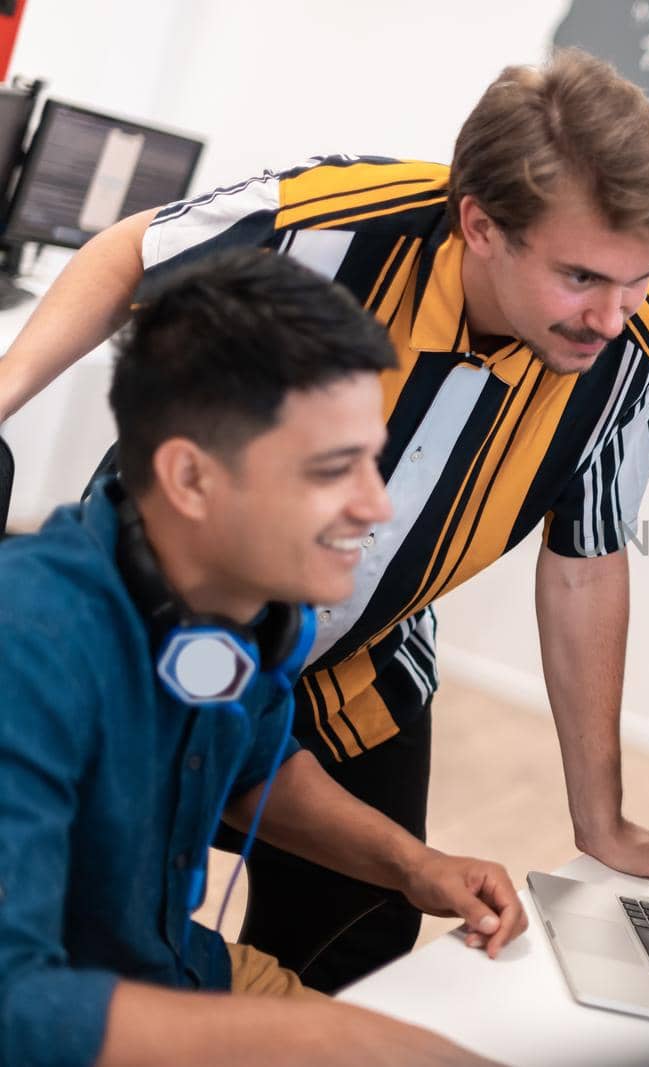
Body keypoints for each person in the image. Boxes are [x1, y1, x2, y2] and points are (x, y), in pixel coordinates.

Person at [0, 49, 649, 992]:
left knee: (361, 932)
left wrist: (599, 815)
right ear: (481, 226)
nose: (616, 317)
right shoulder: (327, 225)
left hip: (366, 653)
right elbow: (136, 251)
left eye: (639, 280)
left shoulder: (631, 324)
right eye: (582, 277)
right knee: (102, 898)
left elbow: (585, 553)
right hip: (178, 617)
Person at [0, 250, 526, 1066]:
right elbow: (14, 1010)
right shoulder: (28, 645)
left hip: (180, 970)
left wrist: (414, 863)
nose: (377, 504)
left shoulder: (236, 611)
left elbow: (252, 770)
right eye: (332, 470)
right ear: (191, 477)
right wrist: (333, 1037)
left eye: (373, 459)